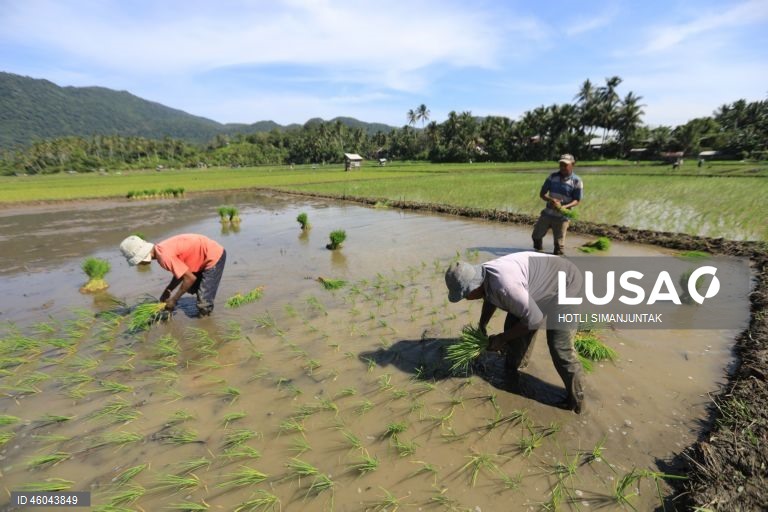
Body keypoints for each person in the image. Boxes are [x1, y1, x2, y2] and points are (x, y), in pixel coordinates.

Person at [445, 251, 585, 413]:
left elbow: (534, 320)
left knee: (559, 346)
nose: (466, 299)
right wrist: (483, 324)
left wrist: (502, 338)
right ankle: (518, 367)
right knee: (514, 332)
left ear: (474, 286)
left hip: (567, 283)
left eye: (465, 295)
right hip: (535, 286)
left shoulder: (506, 286)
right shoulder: (483, 277)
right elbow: (490, 298)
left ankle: (577, 401)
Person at [120, 234, 226, 316]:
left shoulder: (164, 257)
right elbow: (180, 272)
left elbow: (190, 278)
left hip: (213, 256)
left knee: (203, 303)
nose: (139, 264)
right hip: (201, 256)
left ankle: (206, 321)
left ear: (142, 256)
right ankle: (205, 297)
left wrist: (174, 300)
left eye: (137, 262)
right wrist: (169, 289)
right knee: (191, 288)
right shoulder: (160, 250)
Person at [531, 154, 583, 255]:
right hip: (547, 214)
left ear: (572, 165)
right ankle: (538, 253)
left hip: (562, 217)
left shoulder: (576, 181)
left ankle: (557, 264)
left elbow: (577, 200)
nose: (562, 167)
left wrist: (564, 207)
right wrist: (551, 200)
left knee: (559, 247)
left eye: (565, 165)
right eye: (561, 164)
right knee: (536, 237)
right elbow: (542, 194)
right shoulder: (552, 177)